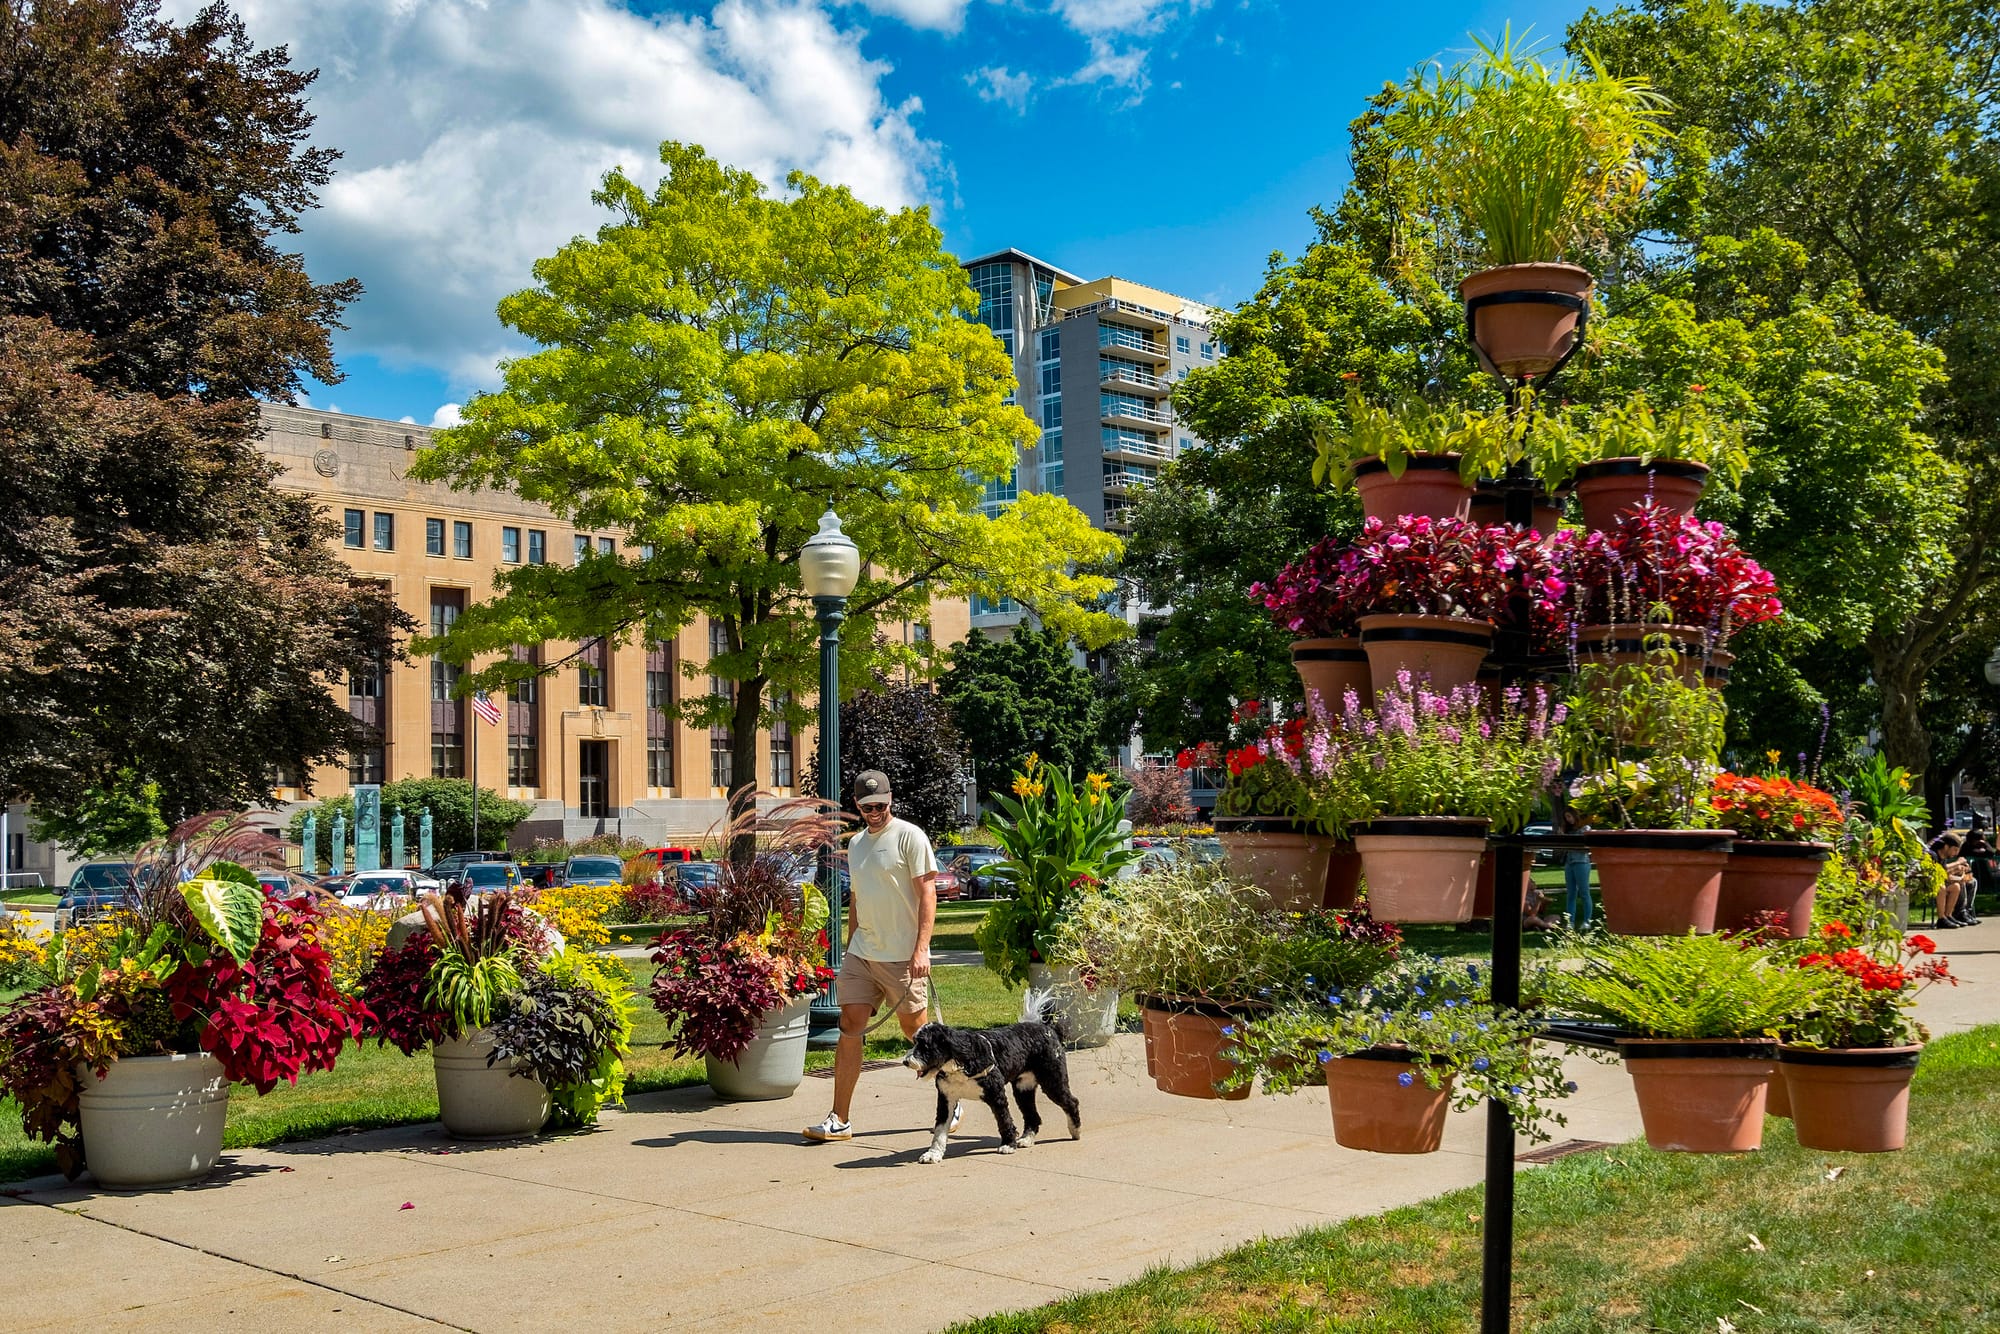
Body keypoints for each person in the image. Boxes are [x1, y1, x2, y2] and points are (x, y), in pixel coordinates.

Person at [804, 770, 939, 1143]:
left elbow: (928, 894)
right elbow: (859, 900)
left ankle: (951, 1098)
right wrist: (850, 947)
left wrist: (921, 949)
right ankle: (840, 1118)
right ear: (858, 807)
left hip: (901, 956)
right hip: (863, 953)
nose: (874, 812)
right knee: (850, 1026)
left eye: (880, 805)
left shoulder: (910, 836)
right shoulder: (858, 844)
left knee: (918, 1033)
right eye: (867, 807)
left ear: (890, 801)